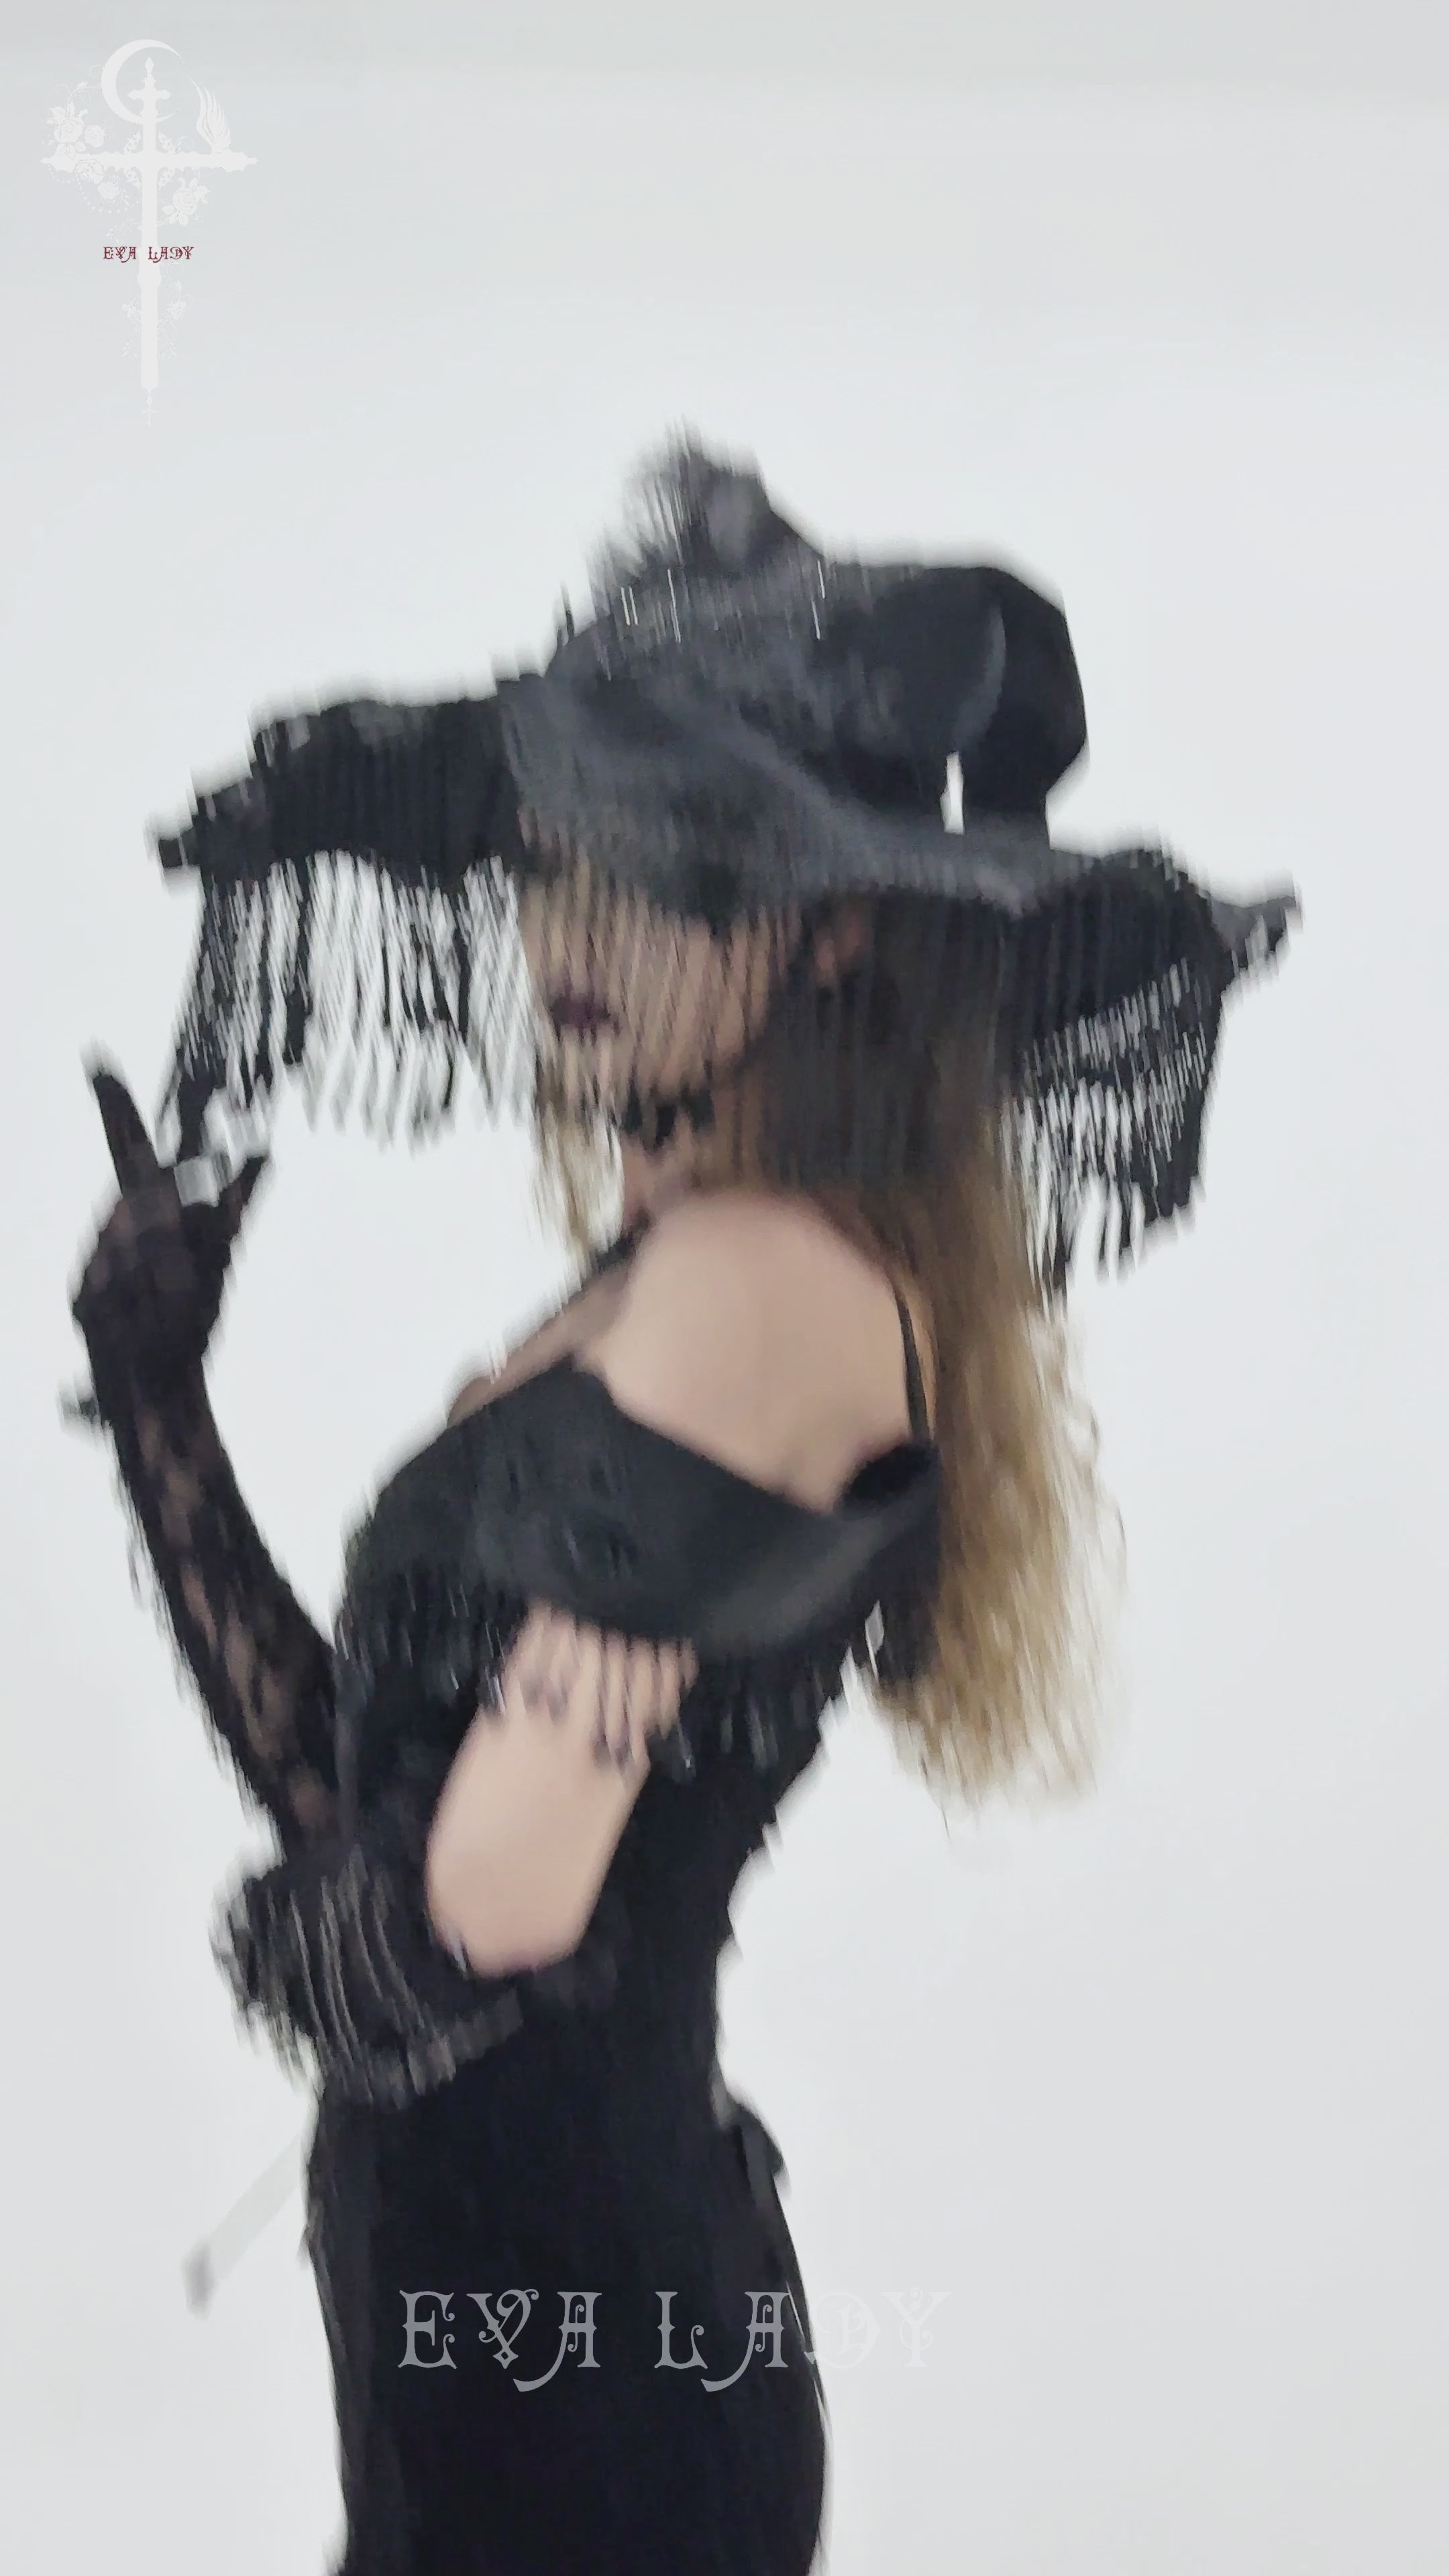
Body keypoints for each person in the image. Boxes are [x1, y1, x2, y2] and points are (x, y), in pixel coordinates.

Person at [66, 433, 1298, 2575]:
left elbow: (484, 1913)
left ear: (827, 933)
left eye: (662, 871)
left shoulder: (760, 1291)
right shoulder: (667, 1275)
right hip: (506, 2334)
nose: (577, 922)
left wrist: (323, 1944)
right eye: (561, 858)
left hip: (579, 2381)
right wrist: (161, 1405)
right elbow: (368, 1784)